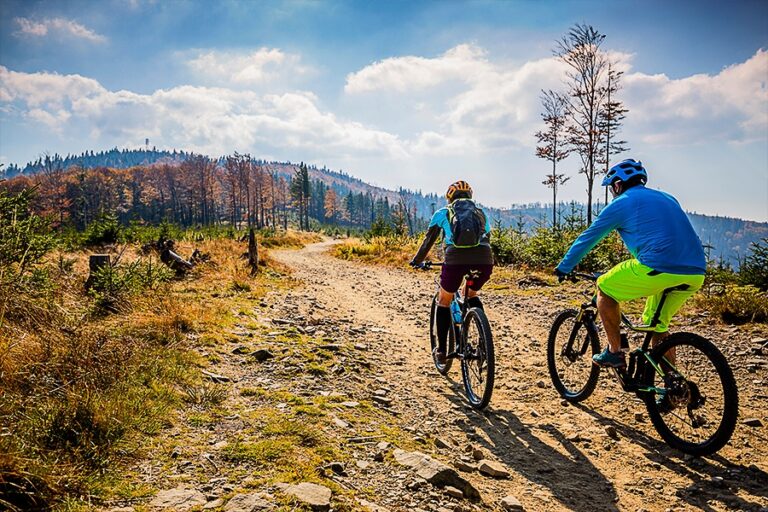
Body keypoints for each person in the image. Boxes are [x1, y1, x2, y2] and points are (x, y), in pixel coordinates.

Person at [554, 159, 706, 369]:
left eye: (612, 188)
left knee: (605, 288)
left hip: (657, 266)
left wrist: (564, 266)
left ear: (617, 184)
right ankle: (672, 387)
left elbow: (588, 237)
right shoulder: (669, 198)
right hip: (696, 272)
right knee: (657, 325)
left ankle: (615, 352)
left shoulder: (622, 202)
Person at [410, 180, 494, 364]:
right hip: (484, 261)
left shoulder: (442, 213)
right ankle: (483, 340)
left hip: (455, 260)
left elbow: (428, 241)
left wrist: (417, 261)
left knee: (444, 300)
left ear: (450, 197)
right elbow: (487, 239)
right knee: (471, 293)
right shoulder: (481, 213)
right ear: (470, 196)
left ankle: (441, 349)